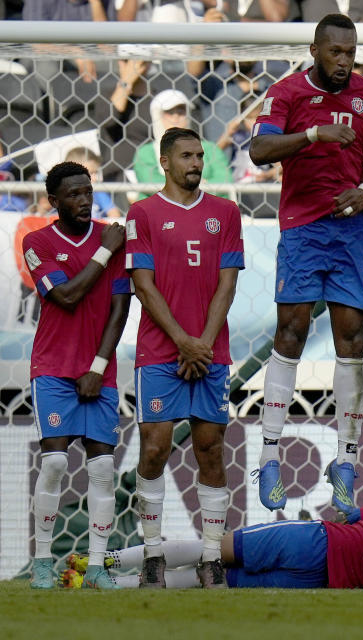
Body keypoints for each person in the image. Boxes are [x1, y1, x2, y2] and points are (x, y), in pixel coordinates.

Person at [248, 14, 363, 514]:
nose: (344, 62)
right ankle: (269, 457)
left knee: (352, 339)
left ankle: (346, 463)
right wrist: (312, 136)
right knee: (291, 332)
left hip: (351, 230)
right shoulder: (286, 93)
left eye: (350, 53)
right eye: (335, 52)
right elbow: (260, 149)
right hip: (304, 229)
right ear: (315, 50)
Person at [125, 127, 245, 588]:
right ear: (166, 163)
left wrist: (204, 344)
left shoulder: (226, 213)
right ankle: (153, 552)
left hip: (210, 352)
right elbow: (143, 285)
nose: (196, 163)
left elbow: (228, 283)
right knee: (154, 448)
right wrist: (183, 341)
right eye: (187, 156)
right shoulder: (143, 214)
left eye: (200, 155)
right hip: (161, 352)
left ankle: (212, 556)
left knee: (210, 450)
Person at [22, 161, 131, 590]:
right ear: (54, 201)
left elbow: (120, 310)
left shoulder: (115, 238)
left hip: (98, 372)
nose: (84, 200)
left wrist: (98, 368)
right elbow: (66, 296)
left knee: (102, 471)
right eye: (73, 194)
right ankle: (43, 561)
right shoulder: (37, 242)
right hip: (53, 368)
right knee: (53, 463)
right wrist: (104, 251)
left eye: (88, 192)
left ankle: (99, 566)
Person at [100, 496, 363, 590]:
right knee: (209, 579)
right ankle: (120, 585)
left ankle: (107, 562)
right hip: (321, 582)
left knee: (212, 549)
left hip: (315, 541)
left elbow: (349, 516)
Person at [133, 90, 232, 201]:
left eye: (181, 112)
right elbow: (150, 183)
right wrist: (196, 185)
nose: (176, 117)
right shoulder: (145, 152)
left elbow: (225, 180)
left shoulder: (210, 149)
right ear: (157, 116)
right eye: (170, 113)